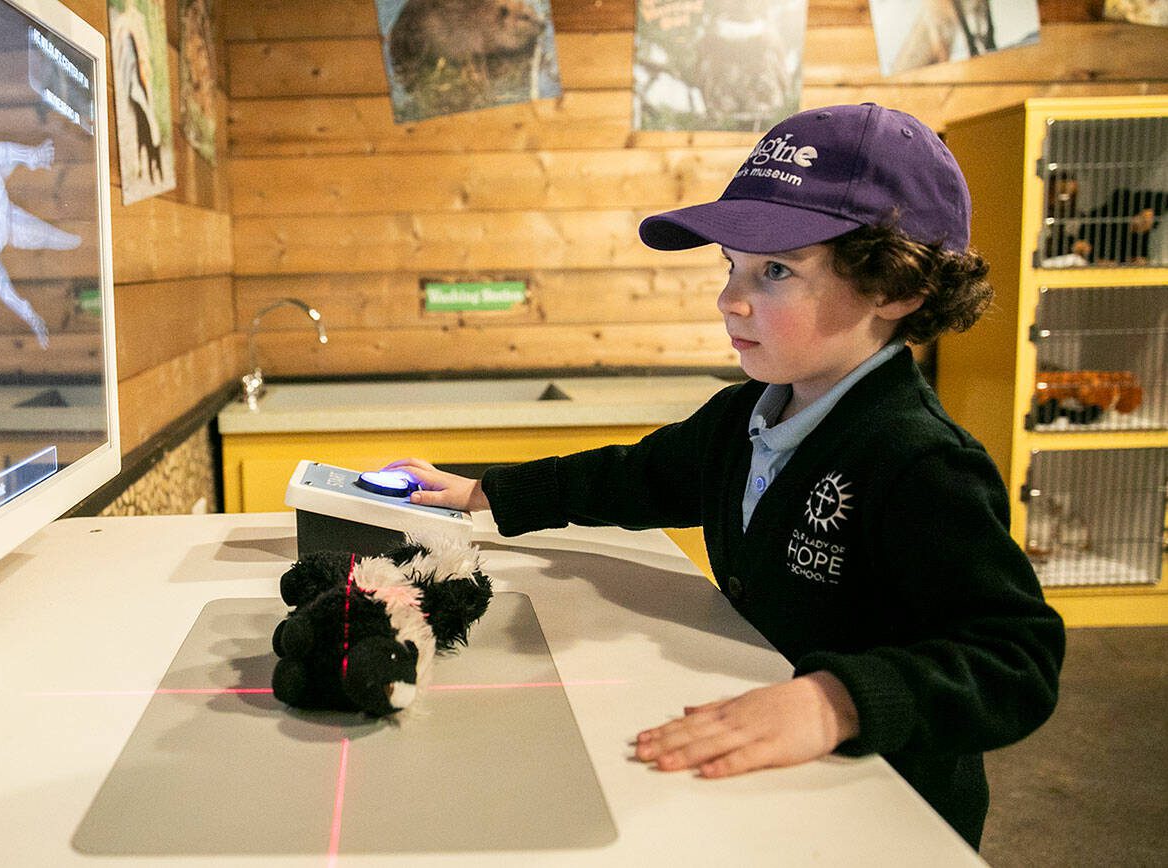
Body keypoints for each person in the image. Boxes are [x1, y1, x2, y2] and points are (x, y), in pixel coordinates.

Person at [387, 103, 1065, 848]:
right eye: (730, 267)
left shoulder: (920, 461)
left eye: (775, 271)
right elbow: (635, 476)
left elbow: (1014, 658)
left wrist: (837, 703)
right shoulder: (742, 417)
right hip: (765, 776)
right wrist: (490, 491)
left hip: (888, 806)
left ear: (895, 288)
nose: (730, 300)